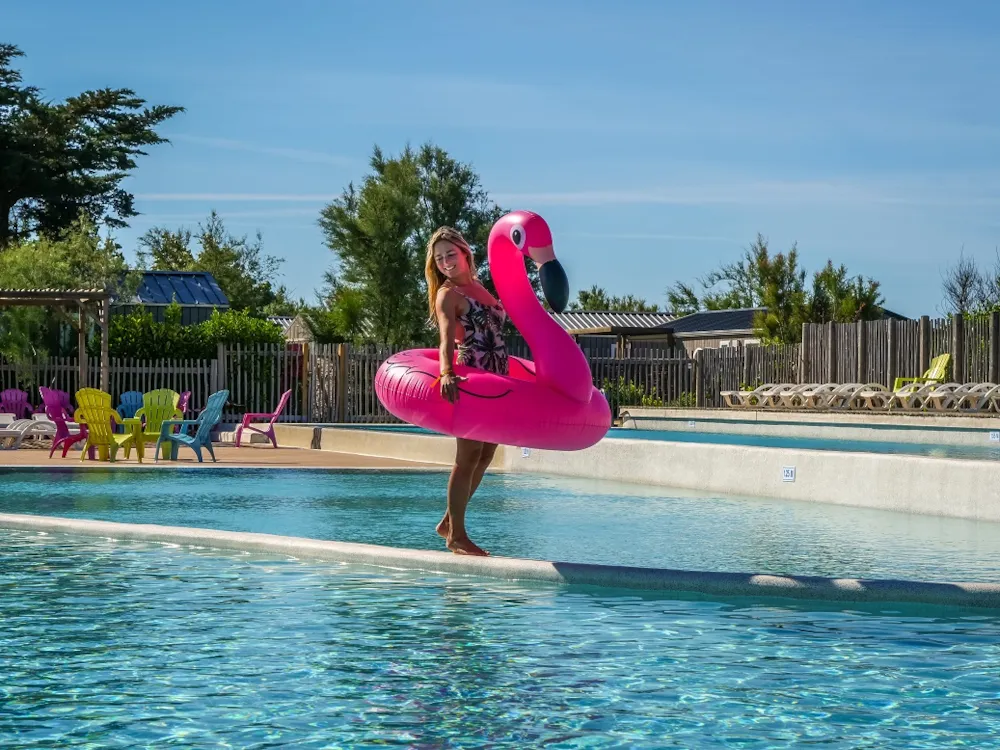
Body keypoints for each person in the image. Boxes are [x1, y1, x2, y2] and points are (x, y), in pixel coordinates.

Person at [425, 225, 509, 557]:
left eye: (450, 254)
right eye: (439, 258)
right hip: (472, 379)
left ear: (464, 252)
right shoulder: (448, 295)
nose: (446, 262)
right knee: (467, 457)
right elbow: (446, 339)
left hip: (497, 378)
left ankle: (449, 521)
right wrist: (446, 372)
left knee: (486, 455)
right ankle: (456, 536)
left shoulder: (480, 288)